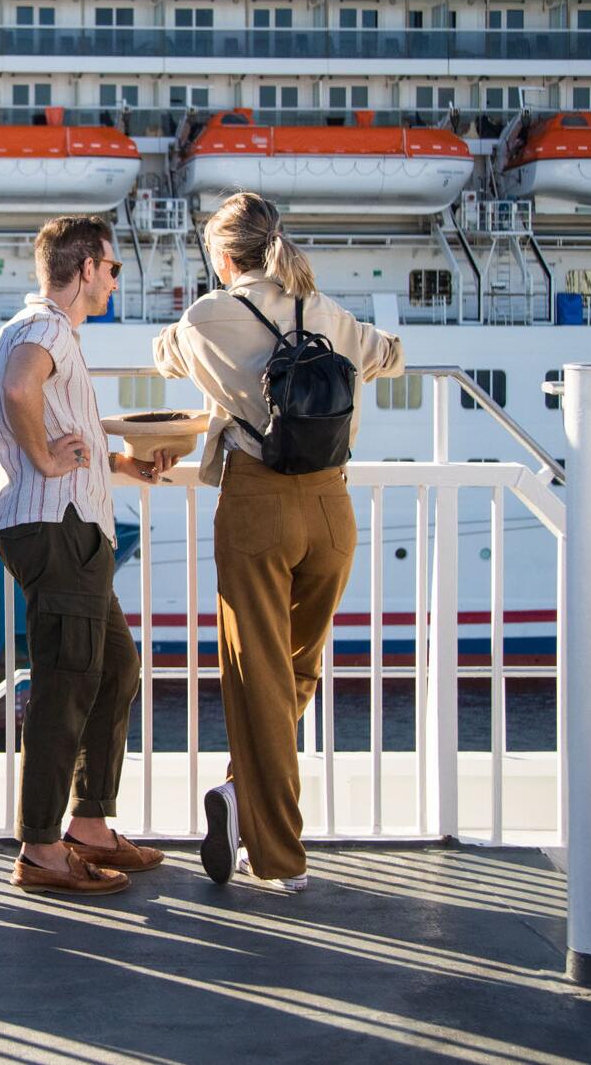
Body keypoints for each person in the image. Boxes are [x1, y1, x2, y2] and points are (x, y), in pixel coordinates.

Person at [154, 191, 403, 893]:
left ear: (224, 257)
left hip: (258, 501)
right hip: (331, 506)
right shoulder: (325, 311)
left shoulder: (208, 314)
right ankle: (240, 797)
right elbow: (388, 356)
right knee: (298, 668)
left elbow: (168, 353)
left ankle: (280, 858)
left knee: (254, 673)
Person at [0, 216, 173, 895]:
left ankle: (89, 824)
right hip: (57, 528)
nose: (116, 279)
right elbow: (18, 388)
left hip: (74, 529)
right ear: (86, 267)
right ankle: (40, 847)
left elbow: (65, 425)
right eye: (113, 267)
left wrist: (125, 463)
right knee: (66, 681)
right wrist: (41, 454)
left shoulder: (41, 329)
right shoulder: (46, 330)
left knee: (116, 665)